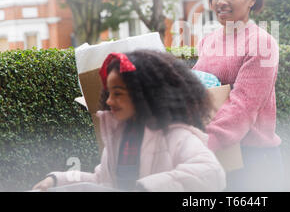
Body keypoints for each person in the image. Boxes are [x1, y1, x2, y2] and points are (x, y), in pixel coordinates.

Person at [32, 50, 226, 192]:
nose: (108, 101)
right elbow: (102, 181)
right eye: (108, 93)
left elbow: (211, 173)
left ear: (143, 94)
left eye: (117, 93)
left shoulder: (177, 137)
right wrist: (56, 181)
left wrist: (147, 188)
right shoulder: (120, 137)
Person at [193, 0, 283, 191]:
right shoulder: (208, 41)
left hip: (253, 162)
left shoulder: (261, 43)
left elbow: (243, 106)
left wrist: (200, 143)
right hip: (216, 155)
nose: (221, 1)